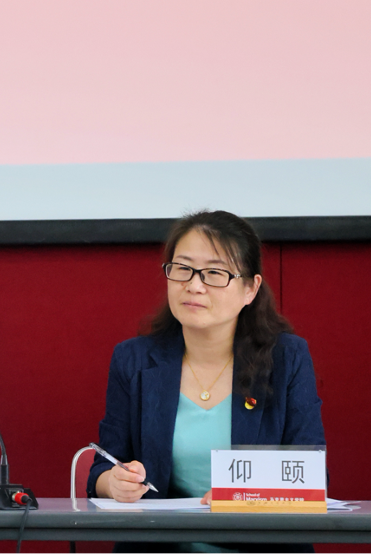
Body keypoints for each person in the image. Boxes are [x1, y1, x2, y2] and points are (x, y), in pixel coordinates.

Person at [87, 210, 325, 554]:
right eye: (182, 269)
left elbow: (310, 475)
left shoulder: (286, 358)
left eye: (214, 273)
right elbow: (103, 467)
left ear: (250, 288)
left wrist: (245, 494)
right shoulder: (134, 360)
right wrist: (114, 482)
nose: (194, 285)